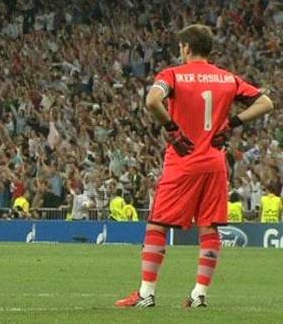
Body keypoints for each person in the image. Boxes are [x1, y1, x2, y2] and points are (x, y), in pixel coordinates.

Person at [116, 24, 274, 308]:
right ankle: (199, 293)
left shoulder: (173, 75)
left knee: (157, 224)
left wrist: (172, 129)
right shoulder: (228, 78)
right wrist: (233, 122)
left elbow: (152, 100)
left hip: (183, 160)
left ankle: (146, 293)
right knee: (209, 226)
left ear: (186, 47)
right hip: (215, 161)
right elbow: (266, 103)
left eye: (181, 47)